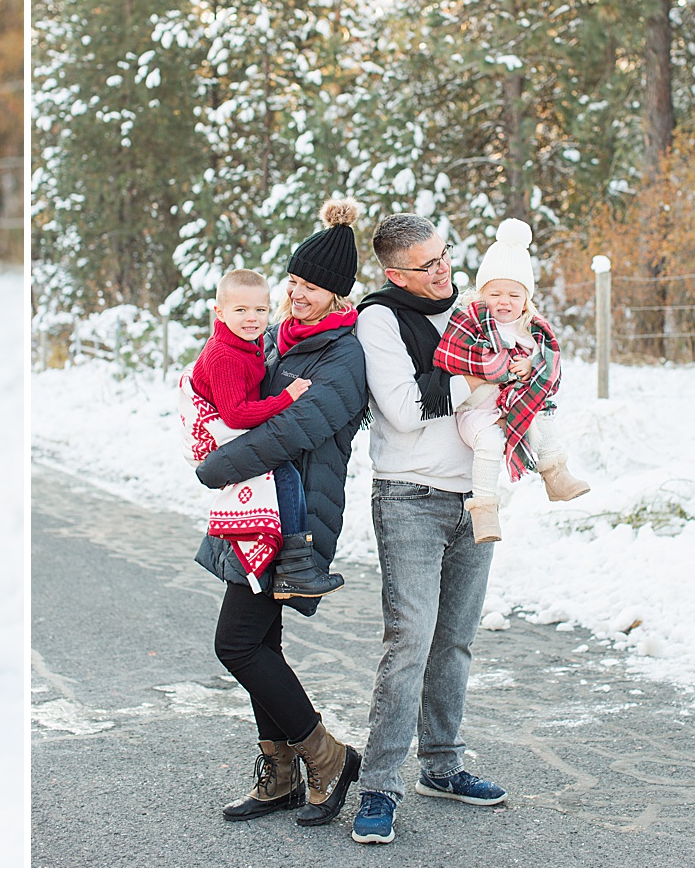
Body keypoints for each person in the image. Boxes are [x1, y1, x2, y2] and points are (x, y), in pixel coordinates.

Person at [193, 199, 368, 827]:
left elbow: (294, 428)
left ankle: (327, 756)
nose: (296, 295)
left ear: (338, 296)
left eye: (312, 288)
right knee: (260, 640)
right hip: (256, 512)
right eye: (293, 282)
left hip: (295, 521)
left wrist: (217, 465)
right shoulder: (273, 337)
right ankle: (280, 773)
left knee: (235, 644)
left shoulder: (343, 357)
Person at [350, 213, 507, 846]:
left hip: (477, 496)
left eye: (444, 257)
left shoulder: (471, 308)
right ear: (394, 273)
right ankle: (379, 787)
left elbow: (517, 363)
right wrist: (480, 374)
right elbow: (406, 409)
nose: (443, 271)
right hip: (410, 496)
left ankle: (442, 766)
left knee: (455, 640)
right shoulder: (380, 319)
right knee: (409, 640)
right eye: (427, 266)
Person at [181, 266, 342, 598]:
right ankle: (297, 564)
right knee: (284, 475)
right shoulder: (225, 354)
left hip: (232, 425)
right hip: (217, 431)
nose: (252, 318)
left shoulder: (248, 342)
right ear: (219, 312)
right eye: (240, 310)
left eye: (260, 309)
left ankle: (284, 560)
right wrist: (285, 398)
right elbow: (236, 414)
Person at [432, 218, 590, 543]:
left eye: (514, 295)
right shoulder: (469, 319)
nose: (504, 302)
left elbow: (551, 367)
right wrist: (505, 365)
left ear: (526, 299)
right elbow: (456, 357)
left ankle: (555, 474)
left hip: (515, 405)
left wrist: (532, 365)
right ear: (481, 292)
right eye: (496, 293)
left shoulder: (532, 329)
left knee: (541, 416)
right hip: (476, 411)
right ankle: (486, 510)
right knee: (489, 443)